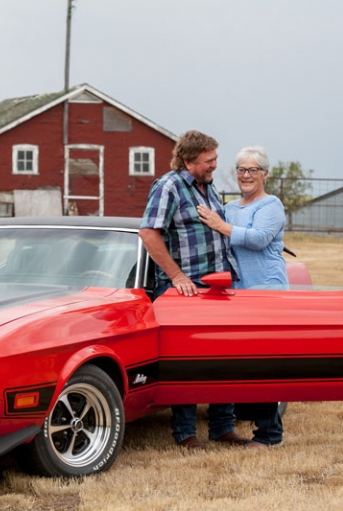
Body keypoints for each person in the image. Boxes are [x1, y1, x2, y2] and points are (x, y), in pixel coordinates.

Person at [139, 130, 249, 450]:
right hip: (188, 290)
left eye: (215, 159)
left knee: (225, 359)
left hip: (219, 286)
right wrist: (176, 276)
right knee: (187, 362)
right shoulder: (169, 186)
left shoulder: (208, 187)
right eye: (209, 161)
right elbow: (148, 233)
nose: (216, 165)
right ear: (188, 161)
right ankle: (186, 435)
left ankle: (222, 428)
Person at [196, 145, 287, 448]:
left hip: (267, 294)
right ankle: (226, 424)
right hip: (237, 296)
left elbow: (260, 239)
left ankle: (269, 435)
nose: (246, 176)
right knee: (239, 363)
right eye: (241, 170)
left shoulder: (271, 205)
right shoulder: (232, 207)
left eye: (252, 170)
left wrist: (221, 226)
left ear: (265, 174)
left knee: (264, 366)